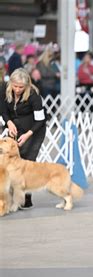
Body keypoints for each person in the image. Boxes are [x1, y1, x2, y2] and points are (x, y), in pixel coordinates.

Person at [0, 68, 46, 208]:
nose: (18, 89)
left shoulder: (34, 96)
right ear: (11, 83)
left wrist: (27, 135)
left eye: (21, 87)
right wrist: (8, 122)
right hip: (13, 127)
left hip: (33, 131)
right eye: (15, 86)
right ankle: (9, 198)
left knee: (26, 163)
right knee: (9, 163)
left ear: (26, 85)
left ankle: (26, 199)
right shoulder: (4, 89)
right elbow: (2, 110)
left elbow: (40, 121)